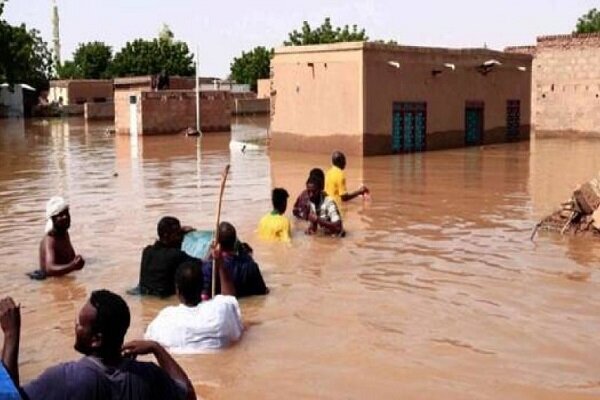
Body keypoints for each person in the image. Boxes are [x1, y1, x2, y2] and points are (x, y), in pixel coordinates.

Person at [0, 291, 196, 400]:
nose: (74, 326)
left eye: (79, 324)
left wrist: (11, 336)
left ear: (96, 340)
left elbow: (10, 398)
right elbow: (188, 395)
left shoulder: (65, 379)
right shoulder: (148, 376)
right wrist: (156, 348)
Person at [145, 249, 243, 353]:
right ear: (202, 287)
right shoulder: (220, 310)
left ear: (177, 291)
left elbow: (149, 340)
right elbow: (230, 299)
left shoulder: (164, 318)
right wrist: (220, 264)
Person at [136, 216, 200, 297]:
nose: (181, 238)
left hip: (143, 294)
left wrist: (180, 233)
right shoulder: (176, 255)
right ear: (166, 235)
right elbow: (202, 264)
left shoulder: (147, 251)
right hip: (163, 298)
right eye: (178, 234)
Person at [203, 222, 268, 299]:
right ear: (235, 242)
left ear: (217, 243)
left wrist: (208, 256)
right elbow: (263, 292)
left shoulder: (210, 267)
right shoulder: (251, 266)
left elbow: (204, 297)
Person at [32, 196, 85, 279]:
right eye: (60, 215)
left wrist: (77, 261)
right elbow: (50, 269)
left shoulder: (64, 232)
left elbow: (71, 258)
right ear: (53, 219)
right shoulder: (50, 240)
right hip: (49, 281)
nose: (65, 217)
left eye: (66, 213)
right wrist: (73, 266)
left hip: (64, 278)